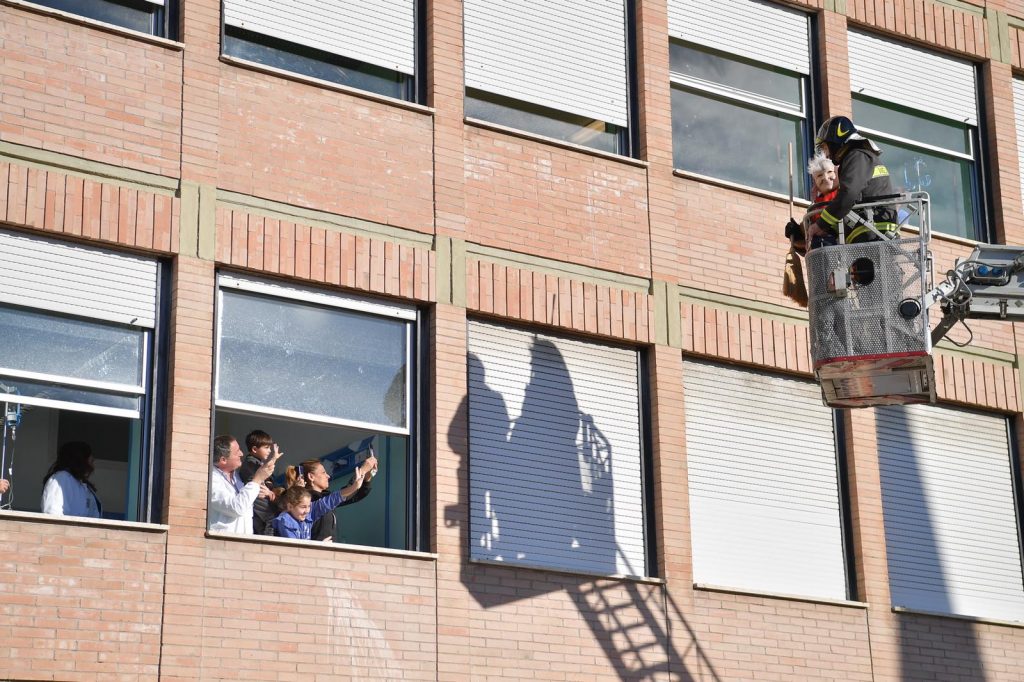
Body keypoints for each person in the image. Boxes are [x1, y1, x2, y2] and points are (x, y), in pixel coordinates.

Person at [808, 115, 898, 246]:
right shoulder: (859, 157)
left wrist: (821, 225)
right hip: (871, 232)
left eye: (825, 147)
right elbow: (846, 208)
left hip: (873, 233)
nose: (826, 154)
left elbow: (848, 194)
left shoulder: (857, 156)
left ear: (834, 141)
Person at [273, 456, 376, 540]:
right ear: (311, 477)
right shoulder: (311, 499)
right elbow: (342, 495)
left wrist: (366, 477)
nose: (328, 476)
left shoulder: (321, 499)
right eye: (323, 472)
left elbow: (353, 495)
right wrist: (361, 471)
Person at [208, 434, 280, 534]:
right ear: (223, 460)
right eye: (237, 451)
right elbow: (236, 508)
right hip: (224, 540)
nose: (241, 454)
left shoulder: (236, 476)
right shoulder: (211, 481)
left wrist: (257, 493)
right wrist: (257, 480)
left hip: (244, 539)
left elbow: (245, 500)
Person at [785, 151, 840, 253]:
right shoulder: (815, 208)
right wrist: (796, 236)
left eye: (829, 172)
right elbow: (806, 244)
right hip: (823, 251)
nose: (825, 177)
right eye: (819, 175)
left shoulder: (845, 193)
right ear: (815, 184)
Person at [41, 441, 101, 518]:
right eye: (90, 461)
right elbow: (52, 513)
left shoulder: (81, 484)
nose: (93, 467)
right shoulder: (61, 479)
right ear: (80, 460)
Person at [238, 429, 280, 535]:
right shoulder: (251, 464)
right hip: (257, 501)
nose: (269, 451)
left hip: (258, 502)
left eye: (269, 447)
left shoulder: (256, 462)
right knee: (270, 519)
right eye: (266, 447)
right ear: (254, 449)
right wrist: (274, 458)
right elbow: (258, 478)